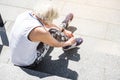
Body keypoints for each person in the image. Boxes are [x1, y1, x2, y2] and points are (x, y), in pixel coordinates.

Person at [9, 3, 83, 68]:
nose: (52, 21)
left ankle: (63, 26)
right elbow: (56, 44)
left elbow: (46, 24)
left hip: (15, 58)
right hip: (28, 63)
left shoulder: (26, 14)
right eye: (52, 19)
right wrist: (69, 42)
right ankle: (68, 44)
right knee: (51, 32)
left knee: (47, 30)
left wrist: (63, 30)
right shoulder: (39, 31)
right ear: (47, 19)